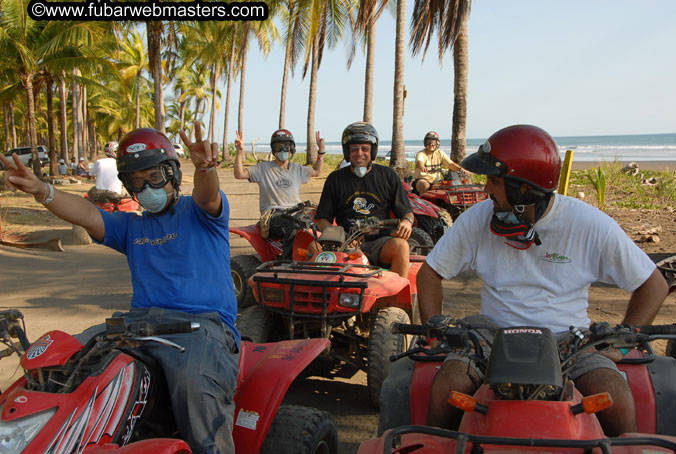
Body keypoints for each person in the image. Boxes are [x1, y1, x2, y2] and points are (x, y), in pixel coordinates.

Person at [0, 122, 240, 454]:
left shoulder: (200, 213)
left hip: (202, 328)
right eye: (136, 182)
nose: (147, 188)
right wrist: (42, 191)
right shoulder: (131, 227)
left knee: (193, 387)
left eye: (154, 176)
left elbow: (208, 193)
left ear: (172, 172)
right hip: (135, 325)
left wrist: (206, 168)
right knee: (62, 360)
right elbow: (85, 213)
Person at [416, 124, 668, 436]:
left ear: (524, 189)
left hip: (569, 338)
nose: (486, 191)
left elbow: (652, 284)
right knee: (447, 388)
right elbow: (429, 272)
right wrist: (436, 329)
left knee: (617, 400)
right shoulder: (477, 218)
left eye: (494, 182)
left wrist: (622, 344)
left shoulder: (588, 224)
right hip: (490, 334)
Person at [315, 121, 414, 278]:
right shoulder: (335, 179)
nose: (359, 153)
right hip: (345, 243)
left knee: (401, 247)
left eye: (365, 149)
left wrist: (407, 222)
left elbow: (406, 212)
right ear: (347, 151)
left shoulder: (388, 176)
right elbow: (322, 219)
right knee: (312, 249)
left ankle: (395, 299)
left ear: (372, 151)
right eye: (354, 149)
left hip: (380, 242)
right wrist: (342, 237)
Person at [234, 128, 324, 259]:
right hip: (273, 214)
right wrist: (239, 152)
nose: (282, 151)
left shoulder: (297, 169)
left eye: (286, 147)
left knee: (321, 222)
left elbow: (317, 171)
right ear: (273, 150)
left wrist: (321, 151)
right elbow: (239, 174)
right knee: (294, 226)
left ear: (291, 149)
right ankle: (287, 262)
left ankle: (323, 258)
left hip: (297, 211)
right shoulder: (262, 169)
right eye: (278, 147)